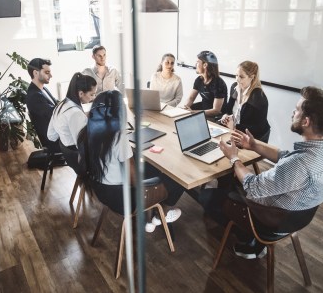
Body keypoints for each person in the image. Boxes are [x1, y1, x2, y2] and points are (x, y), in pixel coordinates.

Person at [214, 86, 323, 259]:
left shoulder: (299, 164)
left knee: (212, 199)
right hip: (300, 216)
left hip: (272, 221)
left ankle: (249, 240)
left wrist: (234, 158)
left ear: (306, 122)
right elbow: (286, 157)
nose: (292, 113)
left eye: (297, 110)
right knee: (234, 182)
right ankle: (254, 243)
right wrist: (254, 145)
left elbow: (252, 186)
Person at [83, 90, 184, 233]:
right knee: (177, 177)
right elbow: (134, 180)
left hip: (102, 191)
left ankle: (153, 215)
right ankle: (160, 216)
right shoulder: (118, 137)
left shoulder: (88, 131)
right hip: (124, 200)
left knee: (150, 167)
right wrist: (151, 185)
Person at [219, 60, 271, 142]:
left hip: (252, 139)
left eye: (241, 77)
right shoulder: (234, 87)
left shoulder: (258, 97)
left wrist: (235, 126)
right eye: (236, 75)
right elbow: (228, 110)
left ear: (252, 77)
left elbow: (259, 128)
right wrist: (225, 116)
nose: (237, 79)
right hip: (234, 133)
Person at [47, 72, 97, 148]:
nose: (94, 98)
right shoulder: (76, 113)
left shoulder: (60, 105)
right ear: (81, 93)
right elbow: (83, 145)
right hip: (78, 156)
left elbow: (51, 136)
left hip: (68, 154)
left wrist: (65, 136)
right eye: (92, 94)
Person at [26, 58, 60, 153]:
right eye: (47, 72)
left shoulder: (42, 89)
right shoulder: (34, 96)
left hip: (58, 133)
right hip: (54, 141)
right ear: (36, 73)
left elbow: (56, 105)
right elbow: (54, 115)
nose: (51, 75)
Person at [183, 50, 227, 118]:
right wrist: (185, 108)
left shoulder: (219, 84)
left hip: (216, 117)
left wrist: (192, 112)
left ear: (205, 65)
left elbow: (216, 111)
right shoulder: (199, 80)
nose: (195, 65)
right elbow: (191, 98)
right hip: (203, 112)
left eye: (197, 62)